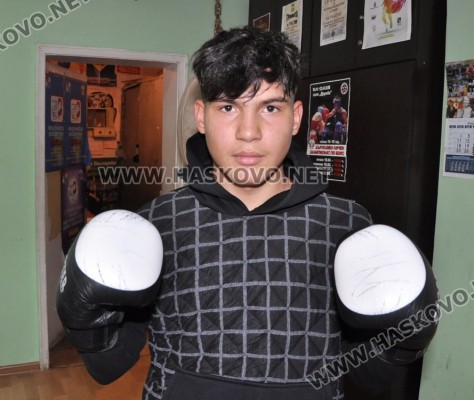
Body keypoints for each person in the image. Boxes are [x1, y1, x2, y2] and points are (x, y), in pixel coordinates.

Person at [57, 27, 438, 400]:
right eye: (228, 107)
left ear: (296, 117)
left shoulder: (346, 225)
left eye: (270, 107)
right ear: (201, 117)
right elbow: (108, 367)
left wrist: (403, 341)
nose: (249, 131)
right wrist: (89, 326)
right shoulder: (158, 223)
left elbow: (371, 377)